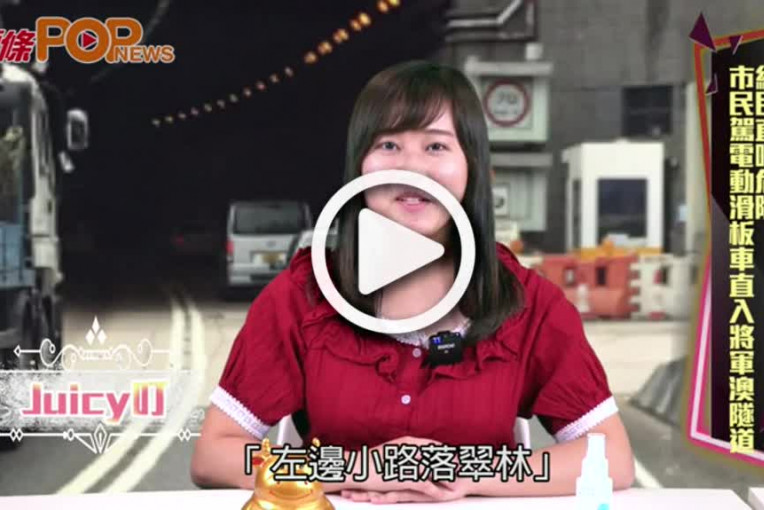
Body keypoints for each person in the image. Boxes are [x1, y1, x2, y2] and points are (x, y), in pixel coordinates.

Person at [191, 60, 635, 503]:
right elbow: (216, 454)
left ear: (473, 166)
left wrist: (461, 473)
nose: (410, 168)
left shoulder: (529, 304)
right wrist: (365, 469)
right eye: (388, 144)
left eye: (436, 146)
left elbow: (612, 459)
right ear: (359, 166)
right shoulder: (303, 296)